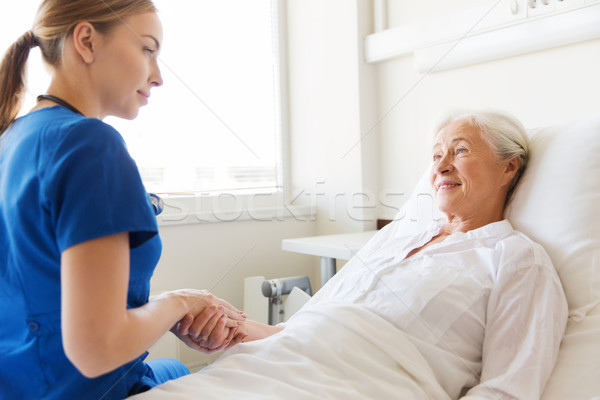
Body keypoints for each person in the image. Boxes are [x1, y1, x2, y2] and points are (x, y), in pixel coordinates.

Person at [162, 110, 568, 399]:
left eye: (459, 151)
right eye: (436, 155)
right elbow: (299, 332)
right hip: (264, 370)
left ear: (508, 168)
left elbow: (508, 389)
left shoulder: (515, 259)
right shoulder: (395, 237)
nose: (441, 165)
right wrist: (227, 334)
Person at [0, 1, 245, 399]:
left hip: (18, 382)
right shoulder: (88, 144)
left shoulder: (13, 138)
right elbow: (97, 350)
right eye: (147, 49)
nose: (159, 76)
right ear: (86, 41)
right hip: (72, 389)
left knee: (177, 366)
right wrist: (178, 303)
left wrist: (170, 315)